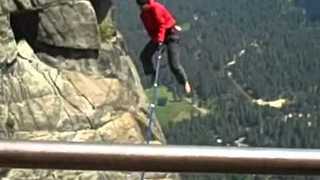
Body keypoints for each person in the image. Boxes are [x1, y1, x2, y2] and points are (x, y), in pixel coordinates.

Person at [136, 0, 192, 94]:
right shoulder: (143, 15)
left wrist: (160, 41)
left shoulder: (155, 8)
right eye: (140, 6)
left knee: (174, 65)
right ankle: (152, 74)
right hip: (158, 36)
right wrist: (157, 41)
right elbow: (150, 31)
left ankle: (184, 81)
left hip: (171, 33)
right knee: (144, 56)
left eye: (142, 5)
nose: (141, 8)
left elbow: (162, 25)